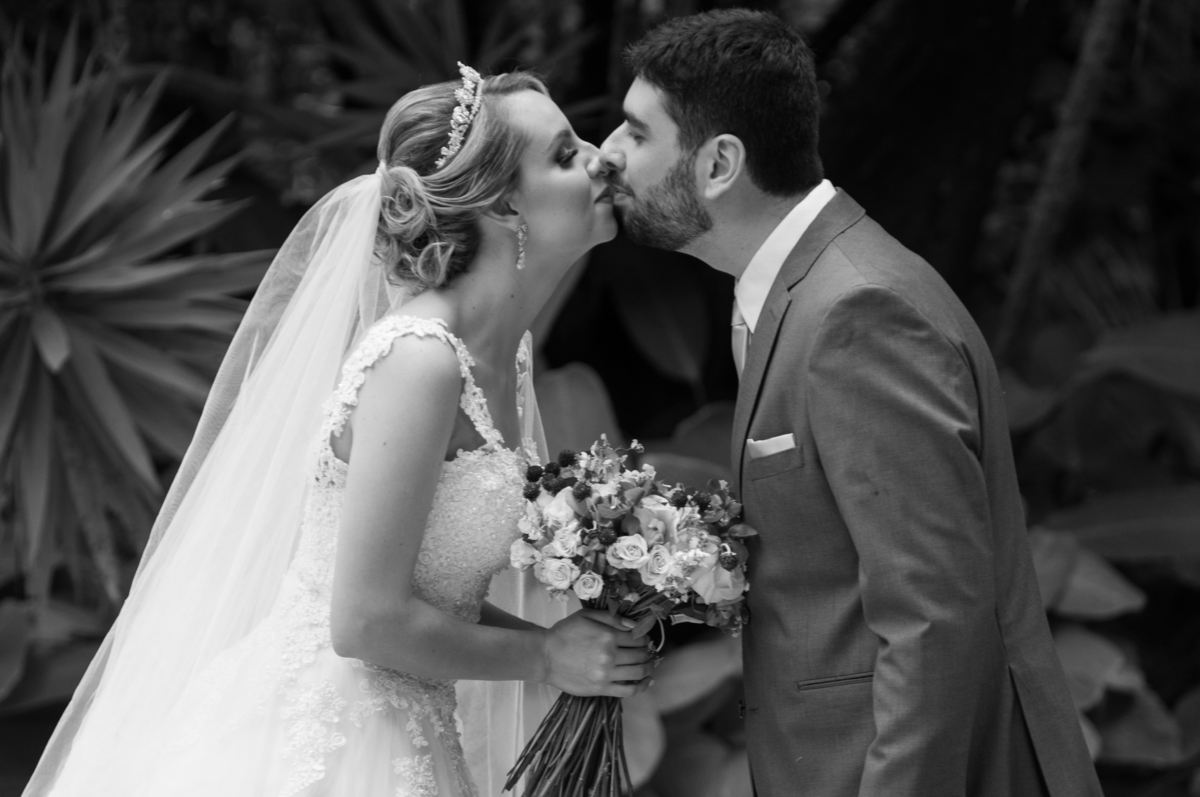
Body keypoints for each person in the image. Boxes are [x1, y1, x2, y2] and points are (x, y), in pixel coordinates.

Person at [24, 66, 652, 797]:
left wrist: (581, 646)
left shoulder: (501, 356)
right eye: (565, 153)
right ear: (504, 205)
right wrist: (545, 656)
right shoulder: (420, 361)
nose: (601, 158)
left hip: (409, 731)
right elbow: (362, 620)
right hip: (327, 742)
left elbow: (430, 590)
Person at [598, 10, 1102, 797]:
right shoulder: (793, 293)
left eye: (635, 131)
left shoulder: (858, 312)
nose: (608, 155)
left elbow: (934, 617)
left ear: (719, 163)